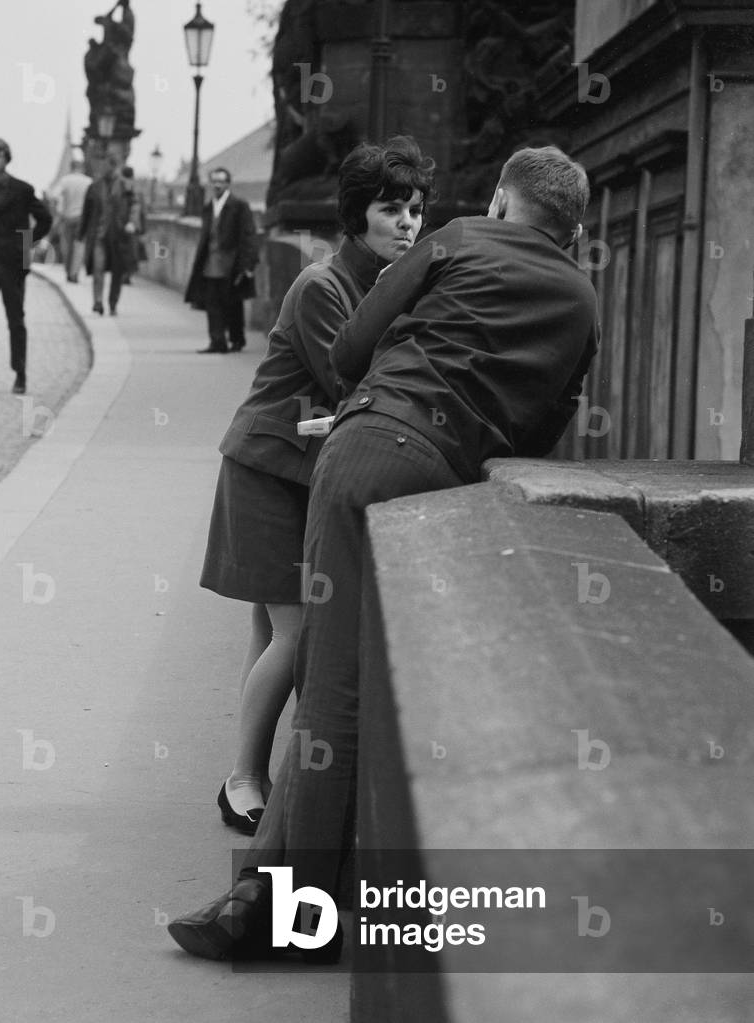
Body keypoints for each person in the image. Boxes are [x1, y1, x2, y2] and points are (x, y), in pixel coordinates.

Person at [168, 145, 600, 961]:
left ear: (505, 202)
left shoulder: (461, 239)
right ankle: (264, 899)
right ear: (571, 227)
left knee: (331, 693)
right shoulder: (581, 298)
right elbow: (548, 420)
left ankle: (287, 922)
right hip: (453, 488)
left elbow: (350, 348)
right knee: (378, 688)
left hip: (367, 455)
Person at [200, 137, 434, 837]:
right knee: (297, 633)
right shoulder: (322, 287)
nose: (406, 224)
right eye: (390, 210)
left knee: (275, 628)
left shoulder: (385, 284)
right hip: (270, 472)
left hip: (306, 474)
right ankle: (241, 778)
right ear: (357, 215)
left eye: (415, 210)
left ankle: (252, 772)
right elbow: (360, 386)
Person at [0, 138, 52, 399]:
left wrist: (27, 244)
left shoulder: (23, 191)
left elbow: (45, 219)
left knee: (16, 320)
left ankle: (20, 372)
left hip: (15, 263)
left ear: (7, 158)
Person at [185, 168, 258, 353]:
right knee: (212, 303)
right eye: (214, 181)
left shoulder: (239, 205)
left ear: (227, 184)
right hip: (210, 263)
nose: (217, 185)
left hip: (232, 263)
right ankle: (217, 341)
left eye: (221, 181)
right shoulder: (208, 207)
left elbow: (248, 235)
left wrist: (248, 264)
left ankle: (237, 339)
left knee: (232, 303)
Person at [79, 153, 134, 316]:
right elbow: (86, 211)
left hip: (118, 235)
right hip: (99, 235)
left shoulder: (126, 186)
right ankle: (97, 301)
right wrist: (81, 233)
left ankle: (113, 303)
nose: (102, 169)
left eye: (105, 166)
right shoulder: (94, 186)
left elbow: (135, 205)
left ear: (114, 166)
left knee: (117, 273)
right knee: (98, 268)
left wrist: (132, 222)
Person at [52, 154, 91, 283]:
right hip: (82, 218)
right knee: (79, 246)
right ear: (82, 168)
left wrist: (59, 210)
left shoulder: (65, 180)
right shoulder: (88, 182)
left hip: (67, 217)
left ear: (71, 167)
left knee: (67, 247)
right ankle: (74, 273)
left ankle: (68, 271)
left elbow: (54, 195)